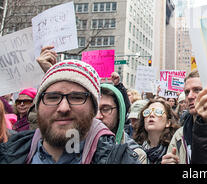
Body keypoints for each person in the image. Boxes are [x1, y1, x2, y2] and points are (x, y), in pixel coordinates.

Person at [0, 60, 139, 164]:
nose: (63, 108)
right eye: (53, 97)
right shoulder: (8, 153)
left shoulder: (120, 159)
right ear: (38, 106)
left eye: (77, 98)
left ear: (94, 109)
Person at [97, 83, 147, 164]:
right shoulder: (76, 146)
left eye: (105, 109)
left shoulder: (135, 154)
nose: (98, 116)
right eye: (94, 109)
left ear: (119, 113)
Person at [133, 98, 179, 164]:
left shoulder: (175, 150)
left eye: (158, 112)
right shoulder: (134, 150)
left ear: (168, 123)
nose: (151, 115)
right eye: (147, 112)